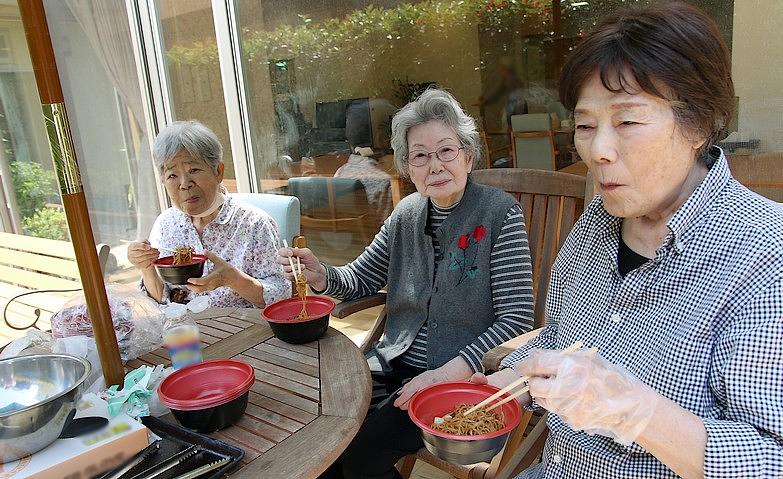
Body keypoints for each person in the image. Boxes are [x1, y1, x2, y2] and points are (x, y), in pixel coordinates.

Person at [473, 3, 783, 478]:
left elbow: (770, 458)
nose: (598, 152)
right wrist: (510, 377)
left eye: (628, 122)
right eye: (585, 125)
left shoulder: (763, 254)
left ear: (699, 124)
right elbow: (563, 339)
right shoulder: (593, 226)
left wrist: (633, 411)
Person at [278, 88, 535, 479]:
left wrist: (447, 373)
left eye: (447, 151)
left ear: (468, 156)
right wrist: (321, 275)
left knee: (360, 454)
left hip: (457, 380)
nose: (435, 165)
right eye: (420, 156)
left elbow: (516, 317)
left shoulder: (500, 214)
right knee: (320, 434)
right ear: (407, 167)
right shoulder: (406, 213)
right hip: (390, 364)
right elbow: (361, 278)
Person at [128, 121, 290, 308]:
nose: (184, 184)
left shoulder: (254, 224)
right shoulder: (166, 224)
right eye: (172, 175)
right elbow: (159, 301)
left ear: (218, 171)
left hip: (240, 330)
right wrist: (146, 268)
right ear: (163, 181)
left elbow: (282, 297)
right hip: (183, 331)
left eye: (194, 170)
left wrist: (234, 279)